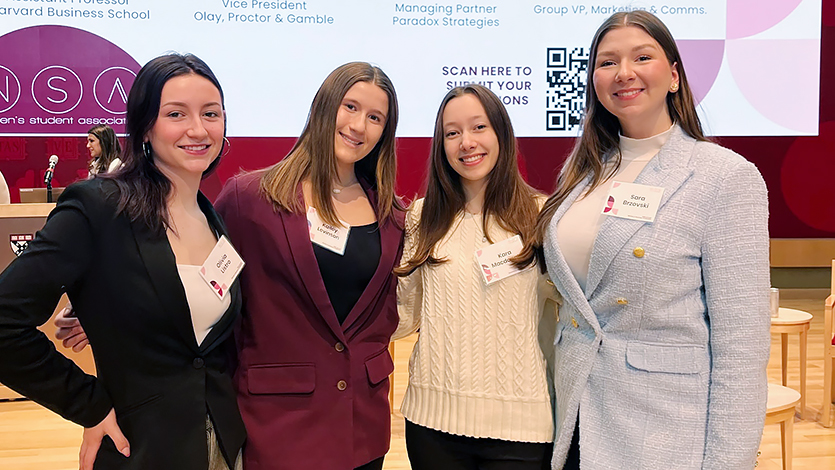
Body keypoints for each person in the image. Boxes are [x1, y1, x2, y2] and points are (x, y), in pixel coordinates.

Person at [532, 10, 770, 469]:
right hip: (577, 418)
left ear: (675, 75)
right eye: (607, 62)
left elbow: (741, 350)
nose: (624, 72)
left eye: (642, 56)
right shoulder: (581, 174)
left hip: (662, 431)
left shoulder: (725, 177)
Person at [0, 53, 245, 470]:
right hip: (140, 446)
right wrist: (87, 405)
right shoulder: (98, 205)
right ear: (145, 126)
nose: (198, 129)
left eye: (211, 113)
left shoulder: (212, 216)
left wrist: (103, 310)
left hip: (225, 445)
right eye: (176, 114)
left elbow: (188, 319)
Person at [213, 62, 403, 470]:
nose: (359, 126)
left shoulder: (391, 214)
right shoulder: (250, 199)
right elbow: (206, 292)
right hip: (278, 425)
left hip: (363, 426)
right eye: (350, 107)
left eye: (375, 118)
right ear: (324, 106)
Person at [394, 84, 558, 470]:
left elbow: (564, 314)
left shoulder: (542, 215)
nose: (466, 142)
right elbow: (404, 314)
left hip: (522, 426)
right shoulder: (422, 217)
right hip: (432, 422)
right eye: (452, 133)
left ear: (501, 132)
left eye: (478, 127)